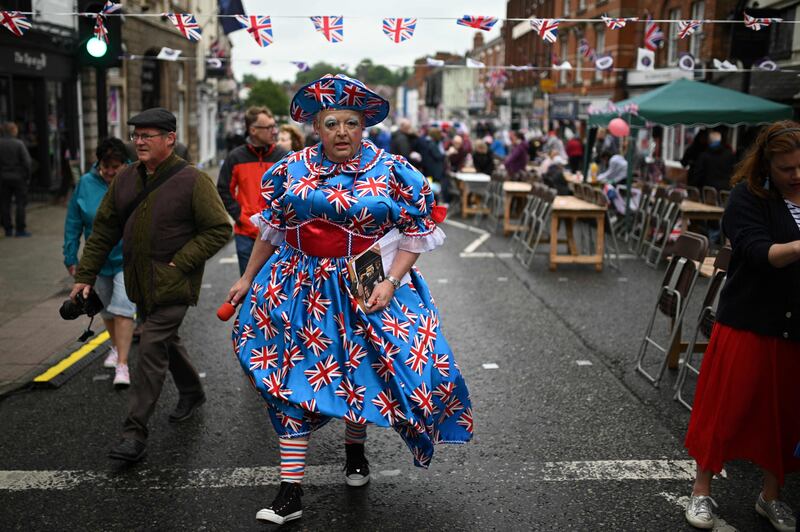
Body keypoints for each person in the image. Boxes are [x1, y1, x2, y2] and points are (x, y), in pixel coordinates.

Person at [226, 74, 473, 525]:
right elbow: (273, 229)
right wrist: (247, 278)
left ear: (365, 127)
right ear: (316, 127)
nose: (343, 131)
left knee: (360, 370)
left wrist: (392, 282)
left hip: (366, 277)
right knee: (289, 380)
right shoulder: (289, 169)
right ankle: (290, 492)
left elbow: (417, 234)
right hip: (298, 283)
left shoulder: (394, 170)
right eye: (332, 122)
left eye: (352, 123)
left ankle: (355, 451)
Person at [71, 107, 231, 463]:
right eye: (136, 136)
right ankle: (192, 391)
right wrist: (84, 277)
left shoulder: (193, 180)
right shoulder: (125, 179)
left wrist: (182, 262)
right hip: (140, 283)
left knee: (152, 347)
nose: (139, 142)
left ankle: (134, 432)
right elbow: (103, 232)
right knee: (167, 341)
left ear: (169, 139)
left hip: (174, 284)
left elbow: (220, 228)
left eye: (147, 136)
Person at [683, 121, 800, 532]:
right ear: (766, 166)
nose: (797, 175)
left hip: (794, 328)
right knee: (724, 411)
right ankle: (700, 490)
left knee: (785, 416)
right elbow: (757, 251)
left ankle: (771, 496)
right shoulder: (747, 197)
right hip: (748, 321)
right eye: (787, 168)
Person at [63, 138, 136, 388]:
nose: (110, 172)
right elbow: (73, 222)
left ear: (124, 164)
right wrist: (70, 257)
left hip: (128, 258)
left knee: (124, 309)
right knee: (104, 309)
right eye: (106, 166)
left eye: (115, 166)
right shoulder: (85, 183)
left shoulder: (134, 180)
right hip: (98, 260)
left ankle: (123, 366)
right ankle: (115, 348)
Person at [217, 106, 287, 275]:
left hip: (277, 235)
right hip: (246, 234)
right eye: (269, 127)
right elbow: (223, 189)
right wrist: (241, 218)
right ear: (253, 130)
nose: (274, 131)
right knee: (247, 289)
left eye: (274, 126)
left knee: (276, 291)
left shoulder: (283, 157)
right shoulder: (235, 157)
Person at [0, 122, 32, 237]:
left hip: (3, 178)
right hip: (19, 178)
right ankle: (20, 229)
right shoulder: (19, 144)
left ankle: (8, 229)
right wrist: (27, 176)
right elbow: (27, 162)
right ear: (13, 131)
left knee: (5, 204)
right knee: (20, 203)